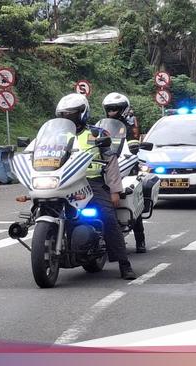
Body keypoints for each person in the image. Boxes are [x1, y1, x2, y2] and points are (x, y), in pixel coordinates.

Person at [55, 93, 137, 280]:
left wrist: (115, 191)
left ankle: (124, 265)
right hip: (64, 183)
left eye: (71, 114)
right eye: (64, 115)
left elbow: (111, 162)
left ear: (82, 114)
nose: (67, 118)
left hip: (92, 183)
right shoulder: (59, 136)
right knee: (52, 210)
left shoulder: (97, 134)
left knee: (108, 217)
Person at [102, 92, 146, 253]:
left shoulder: (130, 123)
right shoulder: (102, 125)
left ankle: (140, 238)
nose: (112, 112)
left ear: (124, 109)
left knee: (132, 197)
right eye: (109, 109)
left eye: (116, 109)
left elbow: (134, 140)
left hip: (128, 162)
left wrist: (134, 149)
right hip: (109, 162)